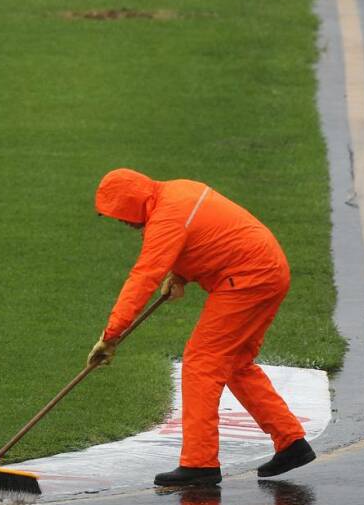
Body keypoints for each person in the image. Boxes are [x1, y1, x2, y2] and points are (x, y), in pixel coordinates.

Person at [87, 168, 316, 487]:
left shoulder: (167, 216)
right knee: (235, 364)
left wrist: (111, 336)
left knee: (201, 363)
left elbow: (143, 276)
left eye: (120, 213)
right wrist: (180, 276)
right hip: (267, 270)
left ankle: (199, 463)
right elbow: (208, 238)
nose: (122, 221)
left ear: (131, 201)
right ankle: (291, 443)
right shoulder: (176, 191)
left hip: (249, 279)